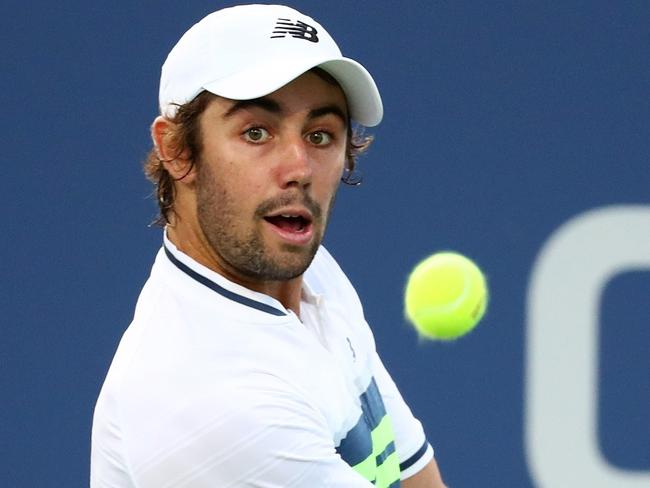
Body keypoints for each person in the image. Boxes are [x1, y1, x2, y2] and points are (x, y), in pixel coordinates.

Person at [91, 4, 447, 487]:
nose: (299, 167)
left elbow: (416, 477)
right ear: (176, 148)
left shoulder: (308, 271)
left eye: (320, 135)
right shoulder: (214, 405)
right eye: (256, 132)